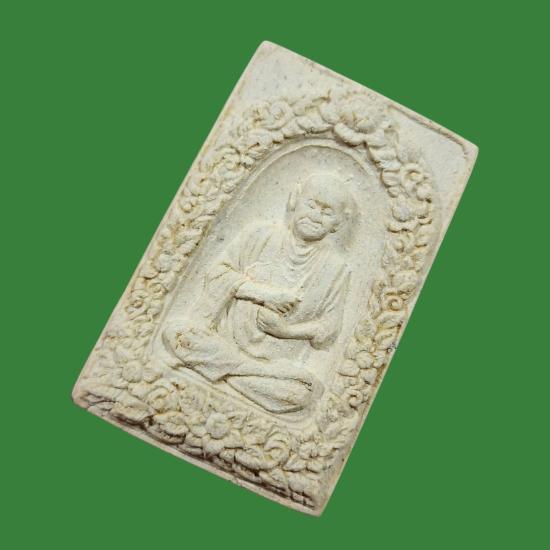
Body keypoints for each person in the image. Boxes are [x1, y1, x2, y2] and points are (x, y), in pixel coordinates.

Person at [163, 172, 354, 413]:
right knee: (176, 333)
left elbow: (329, 328)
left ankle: (214, 369)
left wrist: (286, 331)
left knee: (300, 395)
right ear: (295, 199)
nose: (316, 217)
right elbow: (217, 274)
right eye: (312, 205)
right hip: (225, 344)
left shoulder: (336, 269)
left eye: (327, 213)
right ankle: (242, 375)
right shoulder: (258, 234)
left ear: (338, 223)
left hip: (272, 361)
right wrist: (263, 294)